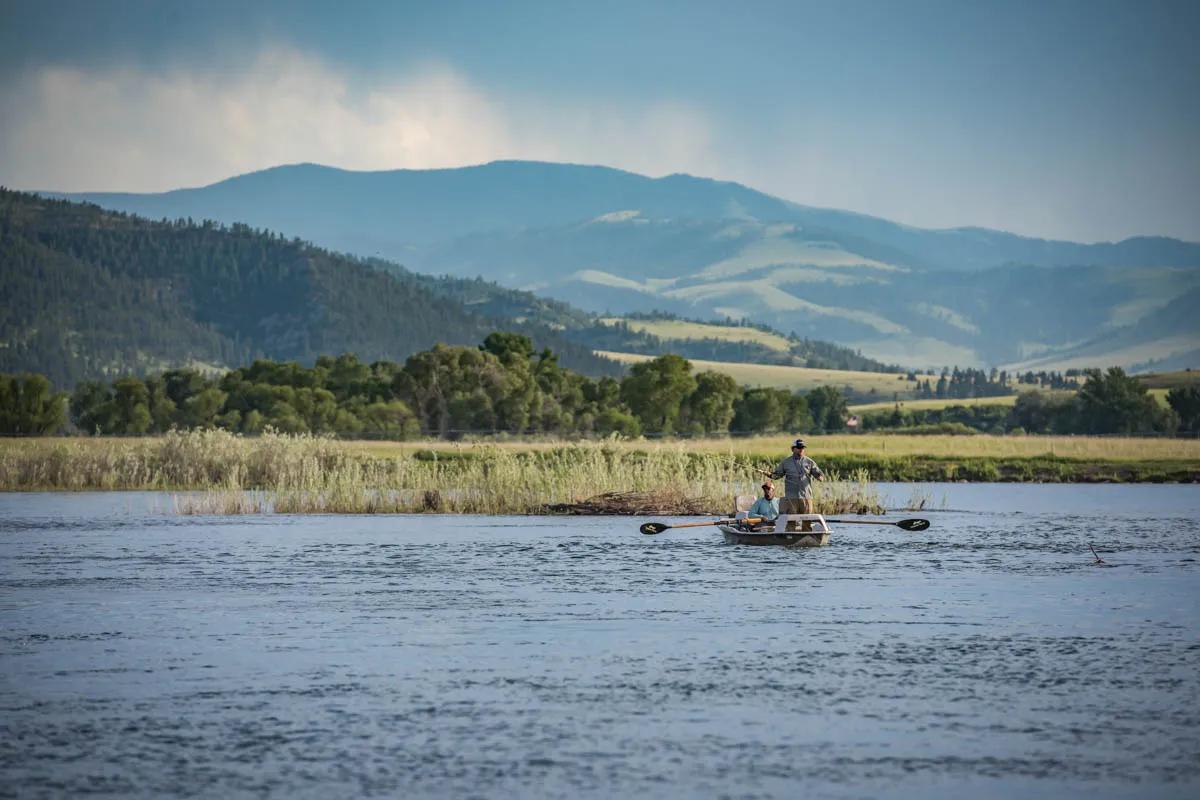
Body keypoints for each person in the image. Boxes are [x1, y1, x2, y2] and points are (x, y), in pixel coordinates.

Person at [771, 438, 824, 531]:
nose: (801, 449)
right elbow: (776, 476)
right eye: (798, 447)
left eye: (802, 448)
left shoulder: (809, 462)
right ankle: (791, 538)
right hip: (791, 497)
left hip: (806, 497)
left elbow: (819, 475)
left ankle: (807, 538)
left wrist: (820, 477)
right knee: (791, 521)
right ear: (793, 449)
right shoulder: (785, 462)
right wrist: (771, 475)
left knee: (807, 520)